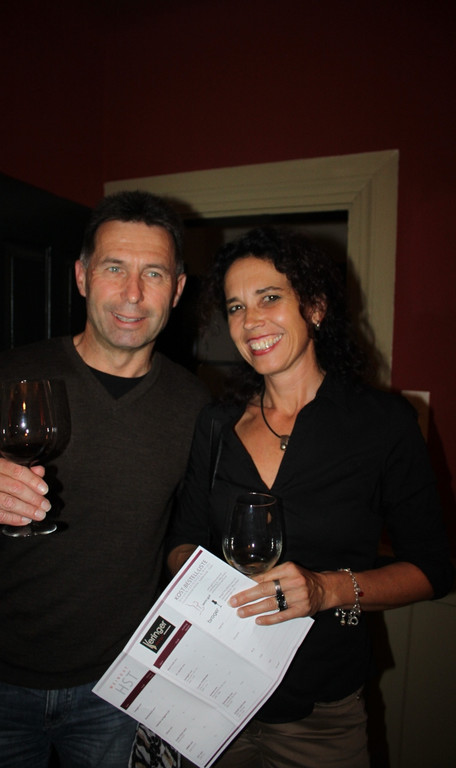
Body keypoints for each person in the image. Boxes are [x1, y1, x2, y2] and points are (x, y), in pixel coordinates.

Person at [167, 226, 454, 768]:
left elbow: (432, 569)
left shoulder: (384, 424)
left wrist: (325, 590)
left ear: (316, 307)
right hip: (211, 695)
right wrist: (202, 581)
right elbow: (183, 540)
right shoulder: (216, 425)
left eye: (269, 298)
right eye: (235, 307)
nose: (250, 321)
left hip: (320, 714)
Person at [0, 190, 208, 768]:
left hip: (118, 689)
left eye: (154, 273)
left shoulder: (196, 408)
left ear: (177, 289)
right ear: (83, 276)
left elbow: (190, 539)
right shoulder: (12, 374)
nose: (133, 293)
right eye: (114, 268)